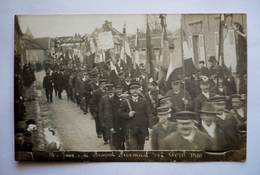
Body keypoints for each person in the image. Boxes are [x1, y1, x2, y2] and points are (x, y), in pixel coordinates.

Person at [118, 82, 152, 150]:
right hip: (131, 130)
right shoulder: (126, 101)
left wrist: (150, 126)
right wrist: (128, 114)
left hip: (141, 130)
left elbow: (149, 114)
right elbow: (119, 113)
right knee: (133, 148)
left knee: (141, 147)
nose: (135, 91)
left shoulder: (144, 101)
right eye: (133, 89)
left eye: (136, 89)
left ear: (139, 90)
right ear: (130, 91)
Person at [109, 83, 126, 150]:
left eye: (120, 89)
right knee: (117, 143)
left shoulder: (126, 98)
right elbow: (109, 114)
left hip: (125, 123)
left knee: (126, 142)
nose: (119, 90)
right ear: (115, 90)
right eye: (117, 89)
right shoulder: (111, 100)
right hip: (116, 124)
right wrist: (111, 126)